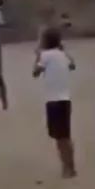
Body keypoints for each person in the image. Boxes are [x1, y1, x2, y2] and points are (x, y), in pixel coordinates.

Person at [32, 27, 77, 178]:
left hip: (53, 101)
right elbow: (72, 65)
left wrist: (37, 55)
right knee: (65, 136)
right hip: (65, 100)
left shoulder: (45, 56)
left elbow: (35, 72)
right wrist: (63, 50)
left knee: (60, 138)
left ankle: (68, 168)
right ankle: (70, 165)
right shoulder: (62, 55)